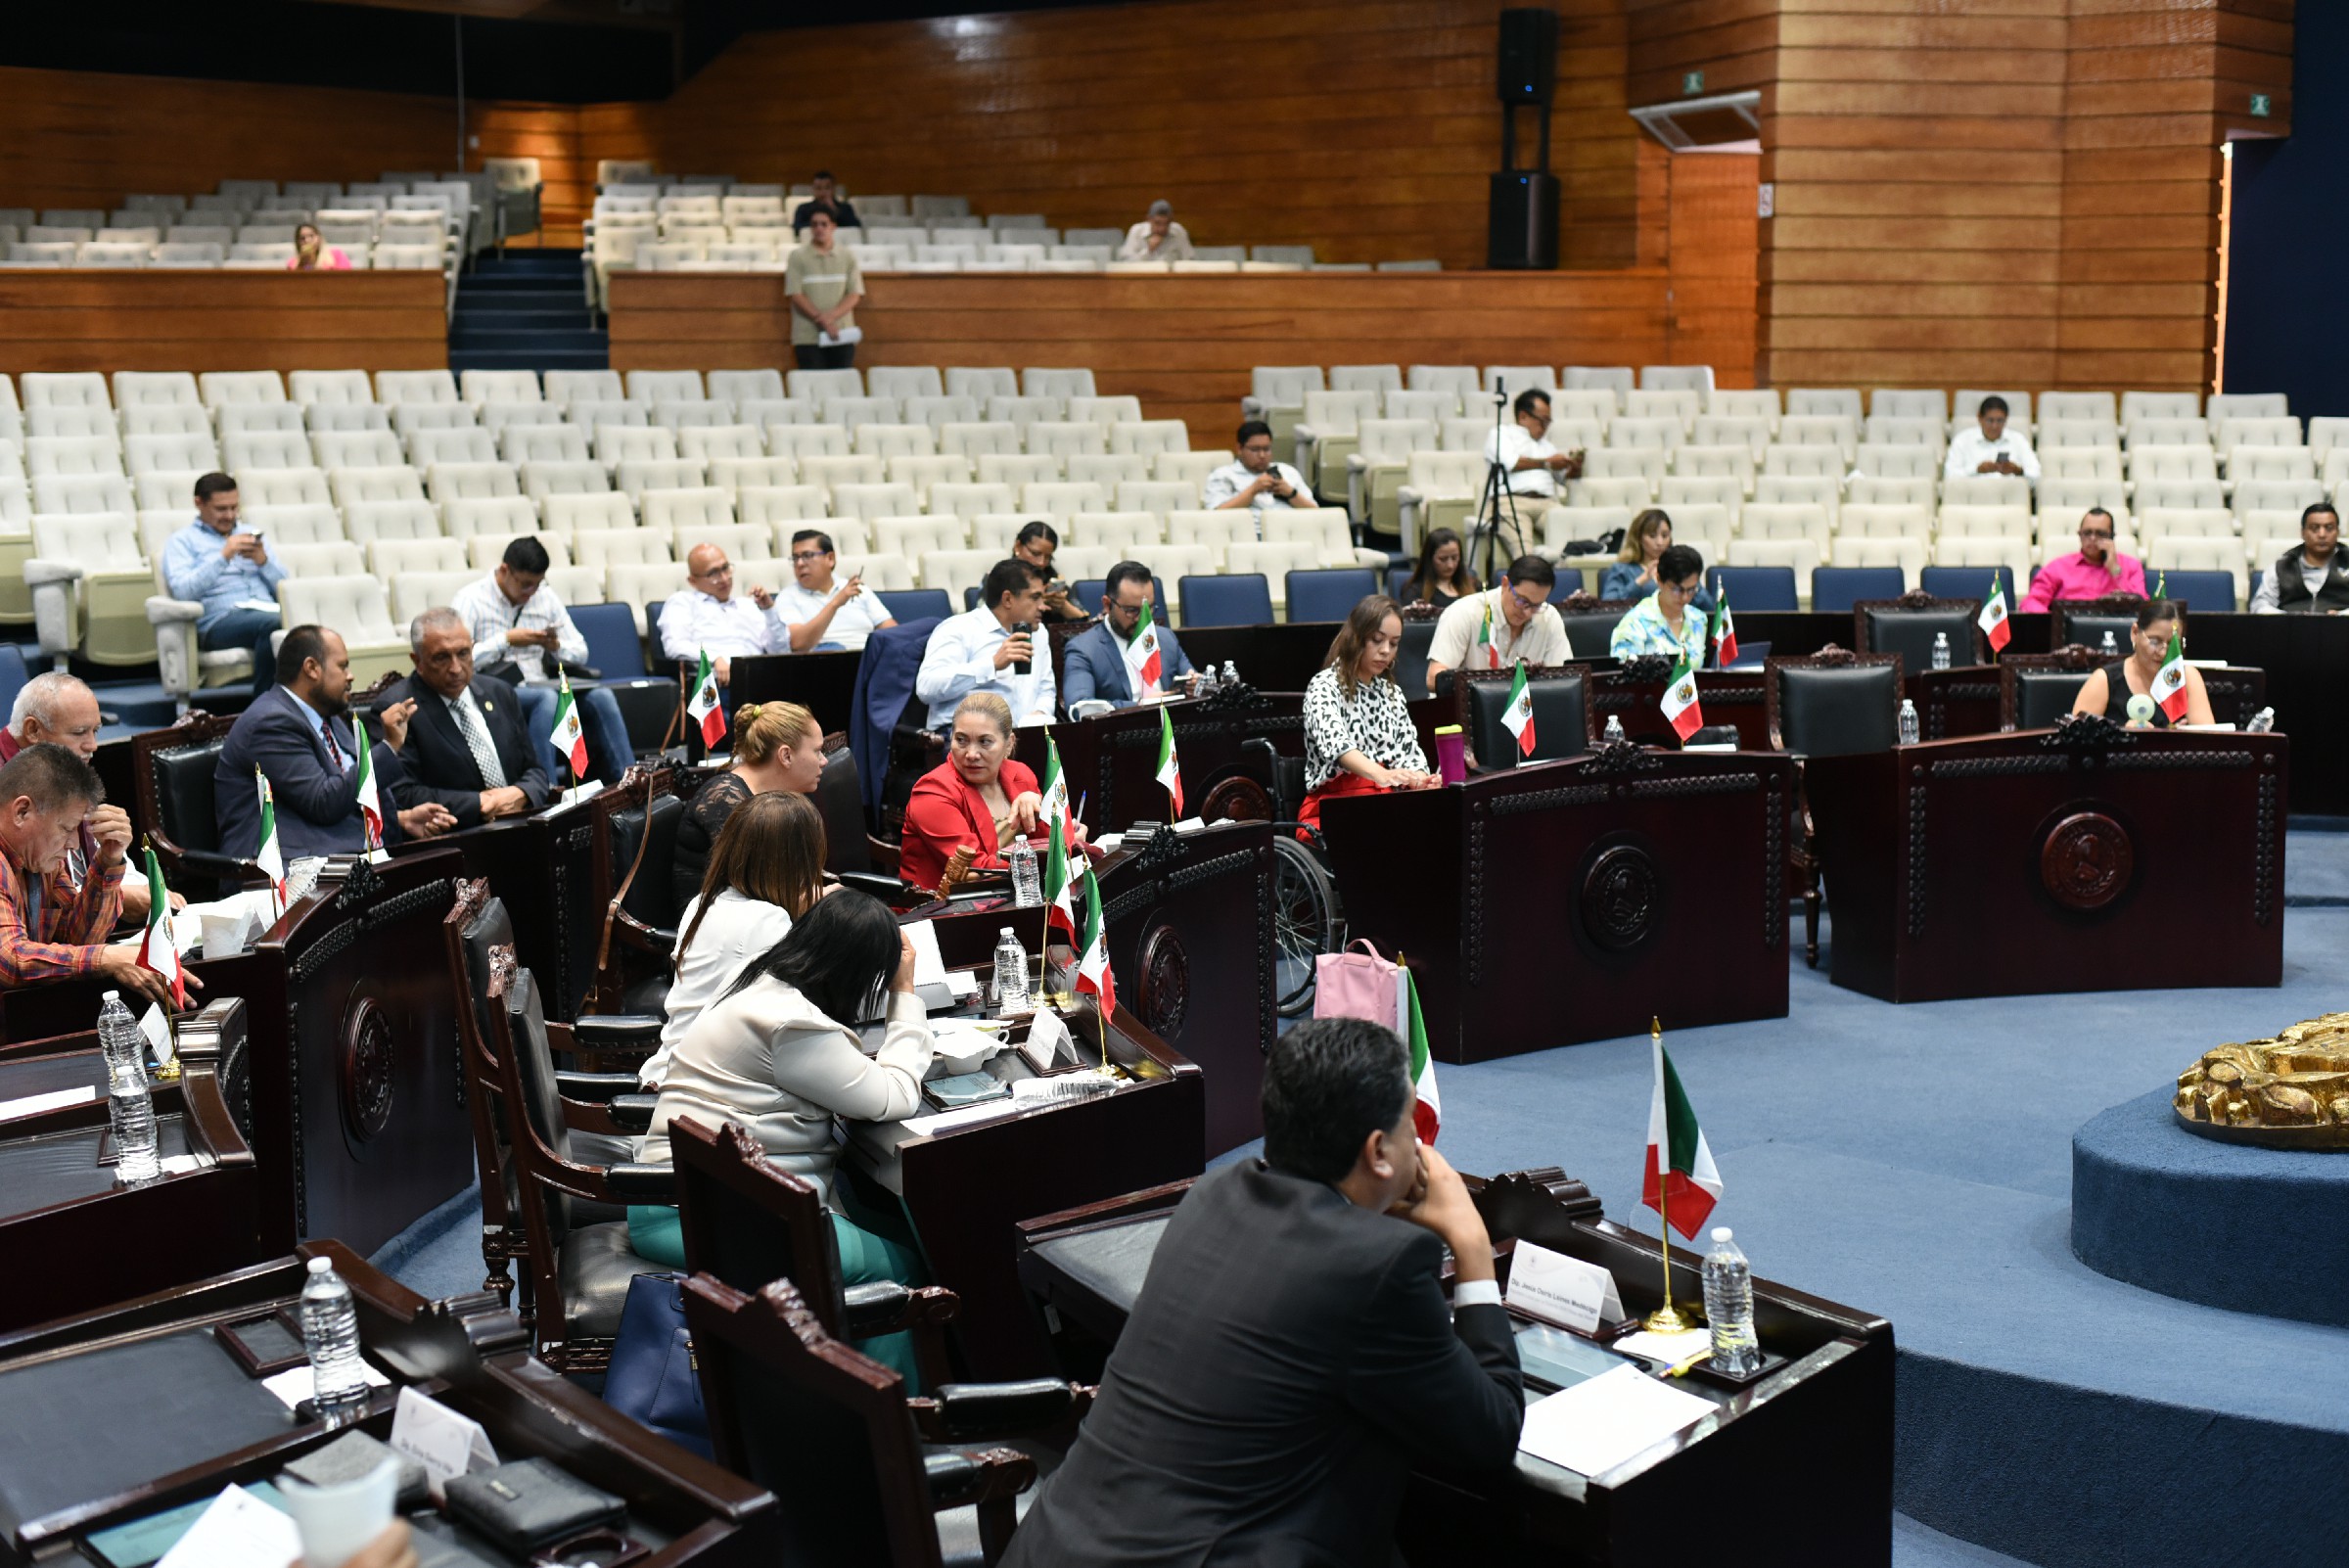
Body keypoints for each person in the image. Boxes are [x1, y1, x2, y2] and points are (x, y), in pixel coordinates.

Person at [1002, 1016, 1522, 1568]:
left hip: (1057, 1544)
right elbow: (1490, 1435)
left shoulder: (1216, 1194)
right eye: (1407, 1123)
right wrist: (1469, 1243)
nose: (1417, 1141)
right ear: (1378, 1151)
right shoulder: (1378, 1266)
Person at [631, 891, 938, 1383]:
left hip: (685, 1196)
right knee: (902, 1270)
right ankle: (892, 1425)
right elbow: (896, 1094)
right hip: (706, 1213)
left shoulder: (764, 985)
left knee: (915, 1233)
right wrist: (905, 991)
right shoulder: (791, 1024)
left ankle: (842, 1385)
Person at [639, 790, 830, 1090]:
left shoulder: (703, 902)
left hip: (667, 1075)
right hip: (704, 1095)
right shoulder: (768, 921)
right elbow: (806, 1019)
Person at [214, 625, 455, 858]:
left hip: (345, 855)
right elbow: (324, 802)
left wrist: (402, 819)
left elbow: (346, 792)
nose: (350, 676)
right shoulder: (270, 723)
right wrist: (389, 747)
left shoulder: (327, 716)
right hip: (285, 872)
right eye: (343, 666)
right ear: (312, 668)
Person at [0, 743, 182, 1005]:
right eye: (66, 828)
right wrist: (107, 957)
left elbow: (80, 939)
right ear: (22, 811)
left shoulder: (41, 858)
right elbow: (9, 960)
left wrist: (109, 860)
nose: (74, 843)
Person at [451, 536, 633, 785]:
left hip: (539, 683)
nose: (531, 593)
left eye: (537, 584)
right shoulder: (471, 599)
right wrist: (506, 640)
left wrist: (554, 645)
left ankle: (629, 781)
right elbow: (460, 661)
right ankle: (546, 790)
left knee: (601, 696)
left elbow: (581, 651)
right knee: (547, 699)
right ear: (505, 570)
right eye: (525, 585)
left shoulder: (545, 597)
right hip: (493, 690)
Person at [3, 672, 173, 923]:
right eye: (80, 732)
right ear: (33, 730)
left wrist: (111, 861)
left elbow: (76, 925)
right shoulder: (12, 792)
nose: (93, 745)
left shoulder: (64, 775)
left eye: (95, 731)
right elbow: (12, 957)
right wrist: (119, 897)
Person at [377, 610, 549, 830]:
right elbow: (401, 794)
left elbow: (535, 769)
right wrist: (479, 803)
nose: (456, 668)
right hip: (460, 835)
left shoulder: (499, 692)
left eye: (463, 653)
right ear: (417, 661)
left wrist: (522, 792)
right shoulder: (398, 709)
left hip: (522, 822)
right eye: (441, 657)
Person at [670, 700, 825, 911]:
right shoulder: (725, 800)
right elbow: (762, 894)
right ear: (786, 756)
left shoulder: (782, 796)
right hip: (713, 928)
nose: (824, 761)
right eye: (817, 751)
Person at [1301, 596, 1438, 831]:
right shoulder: (1324, 685)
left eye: (1394, 643)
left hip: (1387, 800)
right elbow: (1337, 747)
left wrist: (1420, 779)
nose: (1386, 651)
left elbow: (1409, 753)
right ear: (1357, 638)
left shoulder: (1390, 691)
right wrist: (1381, 774)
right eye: (1377, 640)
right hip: (1337, 804)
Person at [900, 693, 1056, 893]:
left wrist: (1044, 816)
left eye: (984, 742)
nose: (972, 754)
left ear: (1009, 744)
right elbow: (976, 869)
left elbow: (1053, 842)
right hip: (940, 910)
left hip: (1013, 896)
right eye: (962, 740)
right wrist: (1052, 853)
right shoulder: (933, 792)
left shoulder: (1021, 775)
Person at [161, 472, 285, 695]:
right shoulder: (182, 541)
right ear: (199, 503)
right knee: (274, 624)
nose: (230, 516)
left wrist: (263, 561)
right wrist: (223, 557)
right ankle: (267, 708)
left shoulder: (250, 534)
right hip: (219, 622)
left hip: (265, 610)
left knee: (298, 618)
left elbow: (285, 590)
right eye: (221, 509)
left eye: (234, 508)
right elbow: (182, 592)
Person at [913, 558, 1057, 731]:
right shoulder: (959, 628)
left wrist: (1040, 712)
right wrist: (991, 665)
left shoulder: (1039, 633)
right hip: (965, 738)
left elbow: (1046, 688)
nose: (1043, 607)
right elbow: (927, 688)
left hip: (1023, 736)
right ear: (1008, 599)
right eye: (1035, 598)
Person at [1063, 561, 1197, 710]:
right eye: (1132, 610)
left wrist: (1196, 684)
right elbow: (1080, 707)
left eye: (1149, 609)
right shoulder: (1084, 649)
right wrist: (1140, 706)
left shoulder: (1166, 638)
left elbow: (1192, 680)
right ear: (1107, 605)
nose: (1141, 619)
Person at [1426, 554, 1569, 689]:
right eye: (1522, 601)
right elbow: (1434, 678)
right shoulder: (1464, 612)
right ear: (1505, 584)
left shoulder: (1549, 618)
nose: (1527, 612)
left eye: (1536, 605)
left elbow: (1563, 679)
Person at [2072, 598, 2215, 728]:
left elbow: (2210, 743)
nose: (2163, 652)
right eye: (2155, 641)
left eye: (2173, 645)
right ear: (2135, 633)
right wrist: (2123, 735)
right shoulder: (2104, 680)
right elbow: (2076, 742)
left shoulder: (2187, 677)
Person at [660, 543, 788, 683]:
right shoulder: (683, 602)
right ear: (692, 581)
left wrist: (769, 610)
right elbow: (675, 646)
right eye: (713, 573)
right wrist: (714, 658)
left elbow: (780, 650)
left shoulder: (747, 605)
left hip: (761, 677)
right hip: (718, 681)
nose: (724, 578)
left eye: (726, 568)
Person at [774, 530, 898, 651]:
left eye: (807, 556)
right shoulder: (787, 597)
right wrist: (836, 603)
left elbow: (892, 632)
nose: (800, 563)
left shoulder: (856, 588)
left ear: (830, 559)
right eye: (795, 558)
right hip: (824, 662)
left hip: (867, 657)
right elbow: (797, 643)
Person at [2018, 507, 2145, 612]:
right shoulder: (2058, 567)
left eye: (2100, 534)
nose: (2092, 539)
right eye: (2087, 533)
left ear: (2112, 537)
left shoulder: (2132, 566)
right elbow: (2031, 602)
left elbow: (2143, 608)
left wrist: (2115, 571)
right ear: (2079, 535)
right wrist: (2053, 622)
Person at [784, 208, 865, 370]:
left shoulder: (847, 256)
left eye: (824, 224)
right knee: (811, 384)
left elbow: (854, 294)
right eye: (814, 225)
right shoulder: (797, 256)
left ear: (833, 226)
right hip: (808, 336)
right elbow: (796, 294)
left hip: (841, 334)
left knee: (841, 385)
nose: (819, 229)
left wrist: (830, 319)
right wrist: (824, 321)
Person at [1609, 543, 1710, 664]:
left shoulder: (1699, 619)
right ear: (1659, 580)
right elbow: (1623, 675)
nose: (1685, 597)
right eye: (1677, 589)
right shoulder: (1635, 622)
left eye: (1691, 589)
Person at [1487, 387, 1585, 501]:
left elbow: (1564, 480)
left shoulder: (1547, 446)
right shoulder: (1501, 433)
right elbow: (1511, 464)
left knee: (1565, 518)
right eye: (1543, 421)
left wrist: (1575, 468)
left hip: (1547, 502)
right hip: (1512, 500)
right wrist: (1548, 463)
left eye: (1548, 422)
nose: (1545, 427)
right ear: (1523, 417)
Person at [2250, 502, 2349, 614]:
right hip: (2289, 629)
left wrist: (2341, 615)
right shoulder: (2282, 566)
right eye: (2314, 528)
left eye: (2329, 528)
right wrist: (2289, 618)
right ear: (2303, 533)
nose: (2322, 534)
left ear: (2338, 532)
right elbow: (2259, 606)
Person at [1203, 420, 1315, 518]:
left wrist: (1290, 493)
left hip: (1289, 531)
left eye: (1266, 449)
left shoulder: (1288, 471)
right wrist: (1252, 491)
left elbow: (1316, 512)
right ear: (1239, 449)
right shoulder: (1223, 475)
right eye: (1255, 450)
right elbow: (1215, 516)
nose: (1262, 455)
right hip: (1250, 534)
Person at [1944, 394, 2040, 483]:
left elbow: (2036, 476)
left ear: (2006, 419)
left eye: (2000, 421)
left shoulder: (2018, 440)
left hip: (2010, 494)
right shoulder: (1962, 440)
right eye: (1990, 420)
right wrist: (1976, 470)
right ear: (1979, 418)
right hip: (1973, 495)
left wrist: (2018, 471)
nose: (1995, 426)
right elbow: (1949, 476)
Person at [1013, 520, 1087, 622]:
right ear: (1018, 546)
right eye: (1035, 553)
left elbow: (1087, 626)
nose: (1041, 562)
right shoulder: (996, 580)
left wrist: (1062, 606)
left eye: (1048, 557)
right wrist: (1037, 600)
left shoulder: (1054, 584)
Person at [1601, 508, 1678, 599]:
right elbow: (1608, 602)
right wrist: (1641, 580)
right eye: (1652, 536)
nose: (1660, 542)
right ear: (1639, 538)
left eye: (1665, 536)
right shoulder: (1622, 569)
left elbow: (1698, 601)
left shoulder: (1677, 567)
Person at [1402, 526, 1480, 608]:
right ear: (1429, 559)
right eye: (1443, 559)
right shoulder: (1415, 592)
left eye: (1454, 558)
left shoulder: (1475, 586)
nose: (1450, 565)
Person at [1118, 198, 1194, 262]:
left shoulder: (1178, 231)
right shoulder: (1137, 231)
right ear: (1149, 219)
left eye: (1166, 223)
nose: (1162, 228)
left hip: (1172, 277)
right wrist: (1148, 250)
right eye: (1158, 223)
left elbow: (1190, 259)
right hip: (1144, 277)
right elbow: (1126, 262)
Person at [790, 170, 860, 233]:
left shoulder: (845, 208)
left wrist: (835, 211)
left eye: (827, 188)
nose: (823, 192)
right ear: (813, 189)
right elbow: (796, 228)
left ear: (833, 189)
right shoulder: (803, 209)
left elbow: (856, 228)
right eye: (818, 188)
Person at [286, 222, 351, 271]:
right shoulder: (293, 263)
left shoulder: (336, 255)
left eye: (311, 236)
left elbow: (345, 277)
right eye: (302, 238)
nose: (307, 240)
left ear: (319, 238)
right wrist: (303, 263)